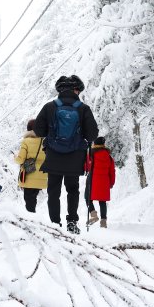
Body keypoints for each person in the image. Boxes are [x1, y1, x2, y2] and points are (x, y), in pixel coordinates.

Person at [34, 75, 98, 234]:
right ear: (76, 90)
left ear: (60, 90)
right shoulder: (83, 108)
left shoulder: (49, 107)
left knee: (53, 191)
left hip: (53, 156)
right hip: (75, 157)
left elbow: (38, 130)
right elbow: (92, 135)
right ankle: (72, 222)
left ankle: (55, 224)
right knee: (72, 190)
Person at [14, 119, 48, 212]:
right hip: (41, 175)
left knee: (29, 201)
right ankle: (33, 217)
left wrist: (15, 157)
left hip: (29, 175)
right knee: (33, 200)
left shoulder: (26, 141)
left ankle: (31, 219)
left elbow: (20, 159)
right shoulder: (45, 141)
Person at [85, 136, 115, 228]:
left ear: (95, 144)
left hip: (93, 180)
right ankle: (103, 221)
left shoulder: (91, 154)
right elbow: (112, 171)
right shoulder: (109, 157)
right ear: (103, 145)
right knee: (102, 201)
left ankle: (93, 216)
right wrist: (111, 183)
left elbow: (86, 167)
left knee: (88, 197)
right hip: (105, 181)